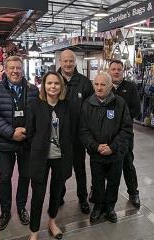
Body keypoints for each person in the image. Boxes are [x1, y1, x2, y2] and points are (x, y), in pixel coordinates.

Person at [0, 56, 39, 231]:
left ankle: (22, 207)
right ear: (6, 70)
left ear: (22, 70)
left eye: (18, 68)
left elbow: (37, 114)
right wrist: (11, 133)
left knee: (25, 176)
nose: (15, 71)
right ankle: (6, 211)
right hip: (5, 143)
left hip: (26, 143)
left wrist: (26, 132)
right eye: (12, 68)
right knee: (4, 177)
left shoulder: (32, 90)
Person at [24, 71, 73, 240]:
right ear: (43, 85)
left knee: (56, 192)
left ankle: (52, 221)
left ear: (61, 86)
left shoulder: (66, 106)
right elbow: (29, 133)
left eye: (56, 83)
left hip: (61, 157)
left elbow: (70, 131)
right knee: (38, 194)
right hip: (40, 157)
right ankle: (34, 233)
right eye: (49, 83)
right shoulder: (35, 104)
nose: (53, 86)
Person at [80, 72, 133, 224]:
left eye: (103, 84)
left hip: (115, 154)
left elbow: (127, 129)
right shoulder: (87, 104)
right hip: (96, 154)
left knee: (113, 182)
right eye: (96, 84)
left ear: (110, 86)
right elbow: (83, 131)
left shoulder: (120, 104)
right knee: (97, 182)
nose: (99, 87)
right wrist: (96, 146)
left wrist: (113, 147)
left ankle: (109, 207)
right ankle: (98, 206)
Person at [58, 49, 94, 214]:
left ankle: (82, 198)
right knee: (60, 169)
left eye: (70, 61)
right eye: (65, 61)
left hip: (79, 136)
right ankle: (59, 195)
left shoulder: (85, 83)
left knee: (80, 169)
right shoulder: (53, 80)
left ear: (75, 62)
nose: (68, 64)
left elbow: (91, 109)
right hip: (58, 136)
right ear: (60, 61)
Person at [108, 60, 141, 208]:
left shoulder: (131, 87)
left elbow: (136, 110)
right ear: (109, 71)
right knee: (103, 165)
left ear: (123, 71)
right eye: (113, 69)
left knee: (128, 163)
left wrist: (121, 123)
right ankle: (96, 191)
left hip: (126, 134)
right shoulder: (105, 87)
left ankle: (133, 193)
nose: (116, 72)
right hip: (106, 134)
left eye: (119, 69)